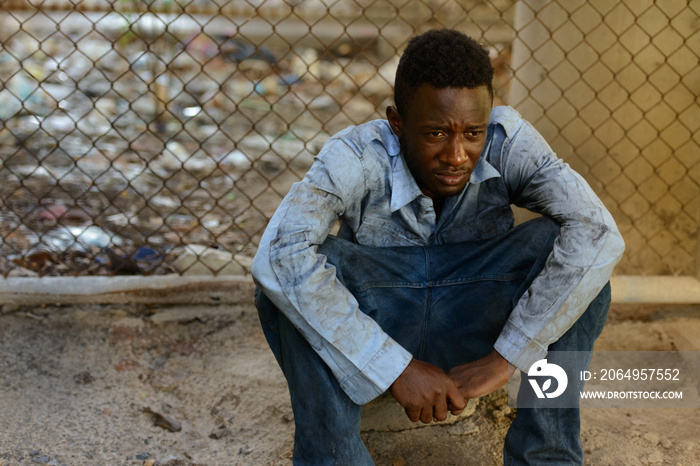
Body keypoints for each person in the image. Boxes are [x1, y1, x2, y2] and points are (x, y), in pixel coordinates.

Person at [251, 28, 624, 465]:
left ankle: (546, 456)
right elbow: (278, 254)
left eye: (472, 133)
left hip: (473, 320)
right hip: (386, 322)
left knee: (576, 259)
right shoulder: (355, 156)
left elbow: (597, 232)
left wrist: (507, 357)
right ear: (397, 122)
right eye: (435, 134)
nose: (457, 155)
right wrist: (394, 367)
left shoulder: (509, 141)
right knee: (284, 282)